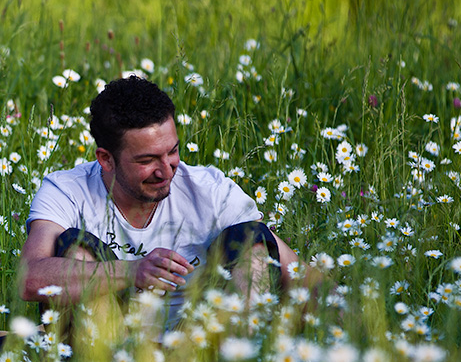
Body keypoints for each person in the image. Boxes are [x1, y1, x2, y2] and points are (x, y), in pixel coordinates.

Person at [18, 75, 300, 326]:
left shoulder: (211, 191)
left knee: (253, 239)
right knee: (75, 246)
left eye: (172, 151)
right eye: (147, 160)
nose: (166, 170)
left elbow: (302, 278)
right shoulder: (67, 190)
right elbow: (28, 278)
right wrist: (132, 271)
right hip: (107, 351)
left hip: (200, 347)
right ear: (106, 159)